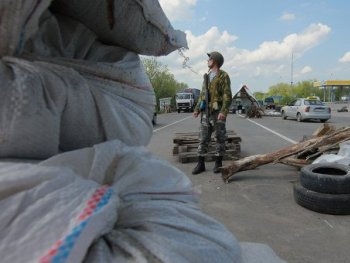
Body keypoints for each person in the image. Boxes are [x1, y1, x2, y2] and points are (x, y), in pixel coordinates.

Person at [192, 51, 232, 174]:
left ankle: (218, 163)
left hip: (217, 112)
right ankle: (201, 164)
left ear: (214, 61)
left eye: (209, 59)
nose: (207, 61)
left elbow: (227, 95)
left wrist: (224, 111)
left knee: (220, 138)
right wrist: (197, 109)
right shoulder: (207, 76)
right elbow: (202, 95)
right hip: (206, 113)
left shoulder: (223, 76)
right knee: (203, 138)